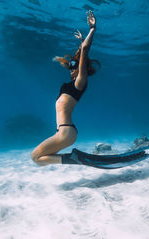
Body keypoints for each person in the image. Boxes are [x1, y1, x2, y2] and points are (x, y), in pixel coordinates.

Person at [31, 10, 99, 166]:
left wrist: (92, 30)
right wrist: (80, 46)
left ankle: (74, 159)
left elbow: (84, 54)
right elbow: (81, 53)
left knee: (35, 156)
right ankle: (73, 159)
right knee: (38, 159)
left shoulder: (80, 83)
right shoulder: (69, 85)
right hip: (63, 132)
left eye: (74, 65)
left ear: (81, 68)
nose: (71, 68)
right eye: (70, 65)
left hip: (66, 132)